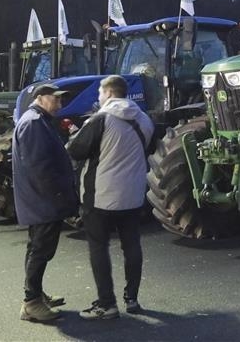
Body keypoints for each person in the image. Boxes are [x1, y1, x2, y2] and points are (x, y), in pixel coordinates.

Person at [66, 75, 154, 320]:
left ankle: (107, 303)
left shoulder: (100, 119)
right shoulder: (144, 120)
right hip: (133, 195)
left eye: (99, 94)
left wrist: (75, 134)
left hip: (100, 197)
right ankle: (132, 298)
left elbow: (76, 150)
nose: (98, 98)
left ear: (109, 94)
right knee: (132, 245)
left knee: (99, 248)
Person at [13, 83, 79, 322]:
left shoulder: (37, 121)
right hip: (42, 202)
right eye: (56, 99)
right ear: (40, 98)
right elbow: (40, 169)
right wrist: (59, 199)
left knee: (37, 249)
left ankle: (36, 295)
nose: (60, 104)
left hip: (41, 200)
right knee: (40, 251)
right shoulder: (33, 124)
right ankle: (31, 303)